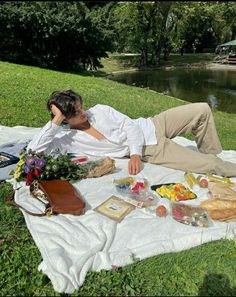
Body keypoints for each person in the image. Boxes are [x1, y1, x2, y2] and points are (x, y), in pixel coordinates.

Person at [27, 90, 236, 177]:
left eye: (81, 106)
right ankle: (219, 164)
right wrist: (55, 121)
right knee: (211, 166)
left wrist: (133, 154)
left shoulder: (100, 110)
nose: (84, 112)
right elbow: (33, 152)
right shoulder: (67, 140)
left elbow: (130, 126)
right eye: (77, 112)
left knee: (201, 109)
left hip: (152, 124)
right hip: (151, 148)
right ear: (64, 119)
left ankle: (211, 152)